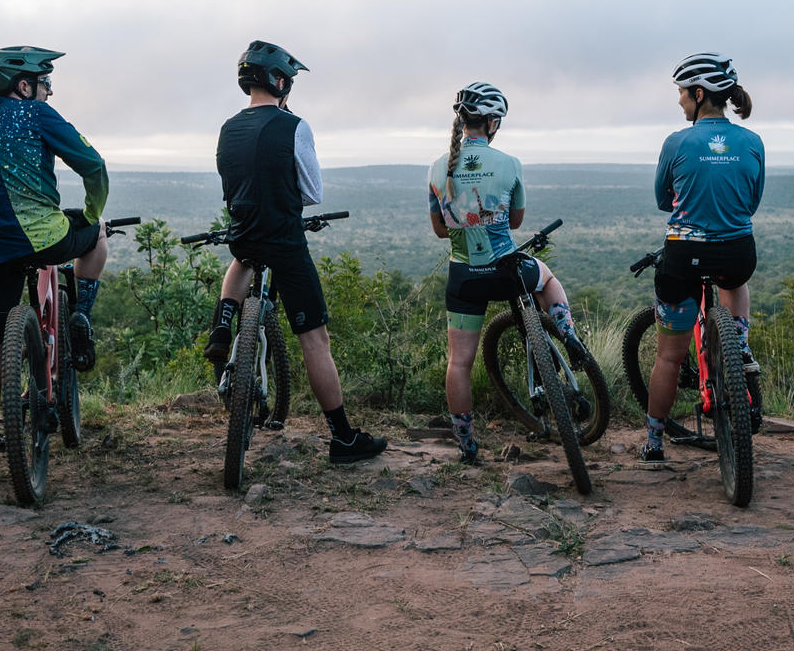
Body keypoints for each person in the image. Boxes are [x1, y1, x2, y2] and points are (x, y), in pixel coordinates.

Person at [202, 40, 386, 465]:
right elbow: (312, 191)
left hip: (243, 233)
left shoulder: (228, 128)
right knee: (315, 340)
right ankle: (343, 438)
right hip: (284, 240)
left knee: (241, 258)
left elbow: (231, 182)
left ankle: (223, 325)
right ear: (280, 82)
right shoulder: (295, 126)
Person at [0, 46, 110, 486]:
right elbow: (93, 165)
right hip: (45, 239)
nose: (49, 91)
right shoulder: (36, 114)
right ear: (24, 86)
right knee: (97, 235)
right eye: (45, 83)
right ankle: (81, 316)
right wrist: (91, 214)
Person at [427, 82, 588, 465]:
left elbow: (439, 230)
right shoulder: (510, 163)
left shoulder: (436, 167)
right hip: (506, 271)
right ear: (493, 123)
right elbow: (515, 221)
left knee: (459, 363)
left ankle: (467, 446)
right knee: (547, 278)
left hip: (464, 277)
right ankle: (568, 333)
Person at [642, 53, 765, 462]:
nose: (679, 100)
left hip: (684, 256)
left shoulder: (677, 142)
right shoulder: (752, 142)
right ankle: (739, 344)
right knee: (735, 279)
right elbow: (751, 202)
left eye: (681, 93)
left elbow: (663, 200)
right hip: (737, 253)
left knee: (668, 357)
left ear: (698, 94)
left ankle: (654, 444)